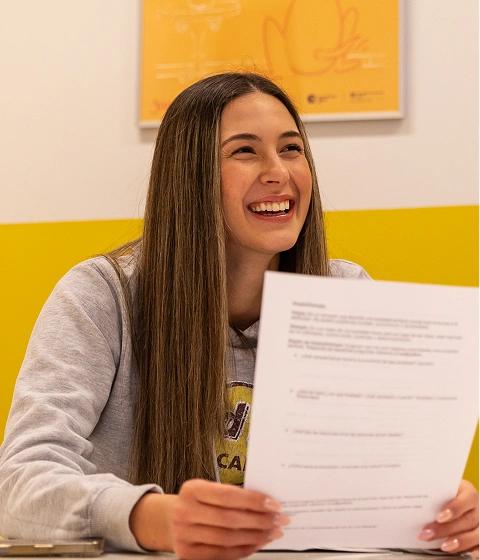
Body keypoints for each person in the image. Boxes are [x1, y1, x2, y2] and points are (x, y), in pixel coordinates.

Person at [0, 72, 479, 560]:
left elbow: (384, 484)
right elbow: (19, 483)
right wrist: (154, 518)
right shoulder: (102, 295)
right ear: (189, 176)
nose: (279, 172)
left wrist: (440, 510)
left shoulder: (346, 292)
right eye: (245, 151)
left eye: (291, 148)